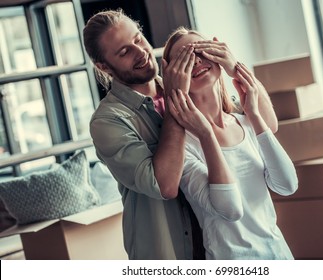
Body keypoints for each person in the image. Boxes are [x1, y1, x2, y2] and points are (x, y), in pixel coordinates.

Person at [83, 9, 278, 260]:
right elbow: (164, 185)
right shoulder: (108, 121)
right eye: (124, 51)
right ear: (103, 67)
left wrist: (234, 67)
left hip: (220, 246)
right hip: (169, 253)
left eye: (138, 38)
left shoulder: (187, 85)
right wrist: (178, 99)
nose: (140, 51)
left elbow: (267, 125)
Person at [162, 27, 299, 260]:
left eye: (202, 51)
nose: (196, 61)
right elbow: (230, 209)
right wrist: (206, 134)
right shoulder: (182, 146)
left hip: (279, 255)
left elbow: (287, 185)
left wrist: (254, 115)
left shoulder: (246, 122)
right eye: (184, 58)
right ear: (172, 73)